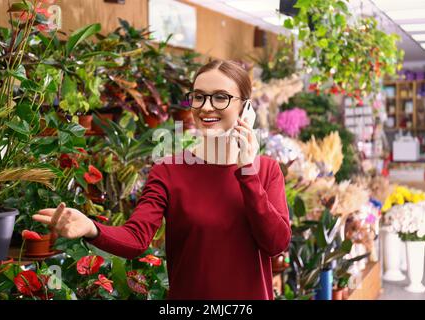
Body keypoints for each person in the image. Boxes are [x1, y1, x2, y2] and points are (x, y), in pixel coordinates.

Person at [33, 59, 292, 300]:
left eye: (221, 97)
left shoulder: (266, 171)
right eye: (199, 97)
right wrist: (92, 228)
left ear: (246, 107)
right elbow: (137, 237)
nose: (206, 106)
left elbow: (276, 243)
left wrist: (247, 170)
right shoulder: (169, 170)